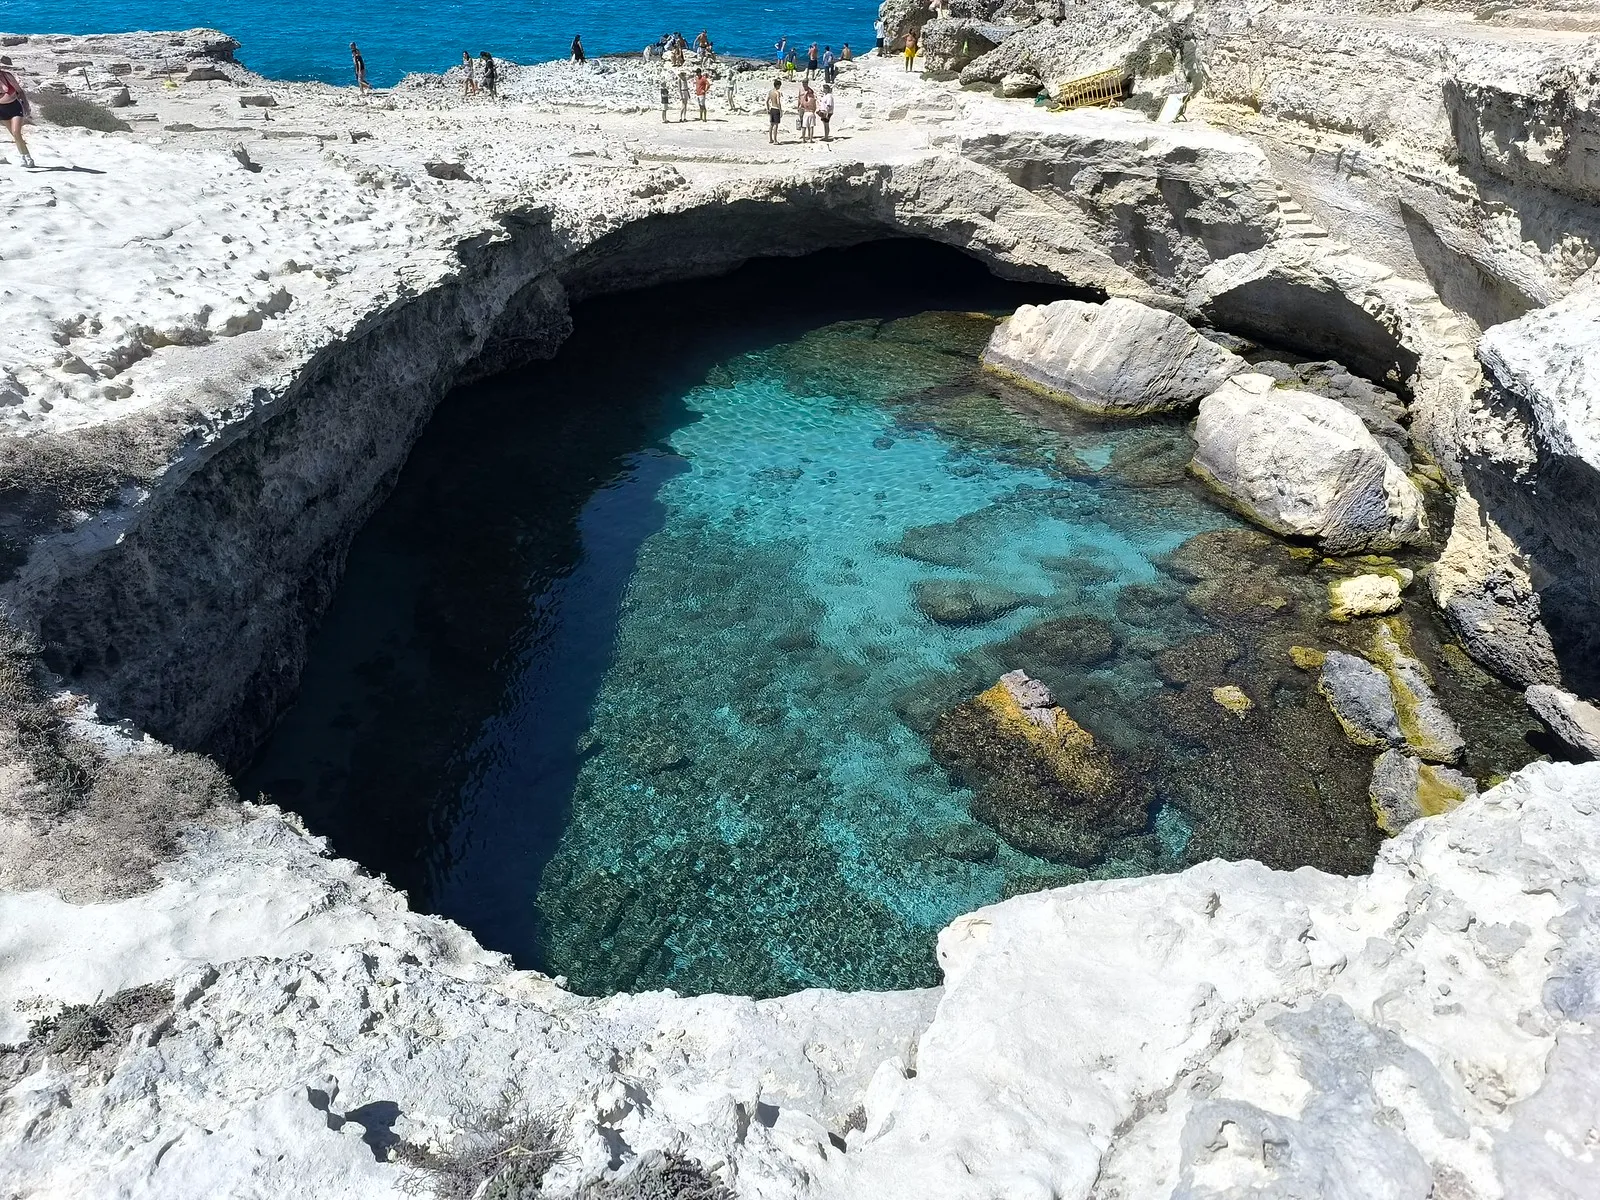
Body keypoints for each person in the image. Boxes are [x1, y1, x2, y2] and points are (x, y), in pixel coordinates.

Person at [0, 65, 33, 168]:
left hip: (14, 107)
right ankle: (24, 156)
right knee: (15, 136)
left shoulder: (6, 76)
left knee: (16, 132)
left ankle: (27, 158)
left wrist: (26, 105)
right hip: (2, 110)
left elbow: (19, 91)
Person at [766, 77, 783, 144]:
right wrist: (780, 110)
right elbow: (778, 102)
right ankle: (775, 140)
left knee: (771, 124)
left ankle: (770, 139)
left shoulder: (770, 92)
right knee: (776, 125)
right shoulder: (777, 93)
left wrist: (767, 109)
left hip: (772, 108)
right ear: (777, 85)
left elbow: (767, 101)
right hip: (776, 109)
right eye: (779, 86)